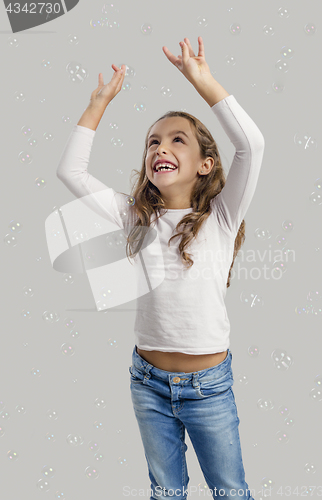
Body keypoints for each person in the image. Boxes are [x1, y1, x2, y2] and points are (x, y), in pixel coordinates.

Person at [56, 37, 265, 500]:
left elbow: (251, 144)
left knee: (230, 491)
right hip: (147, 381)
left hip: (209, 387)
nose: (160, 147)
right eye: (153, 141)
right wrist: (98, 104)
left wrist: (201, 79)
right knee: (165, 492)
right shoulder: (136, 217)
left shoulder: (222, 217)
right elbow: (71, 171)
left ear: (205, 165)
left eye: (176, 139)